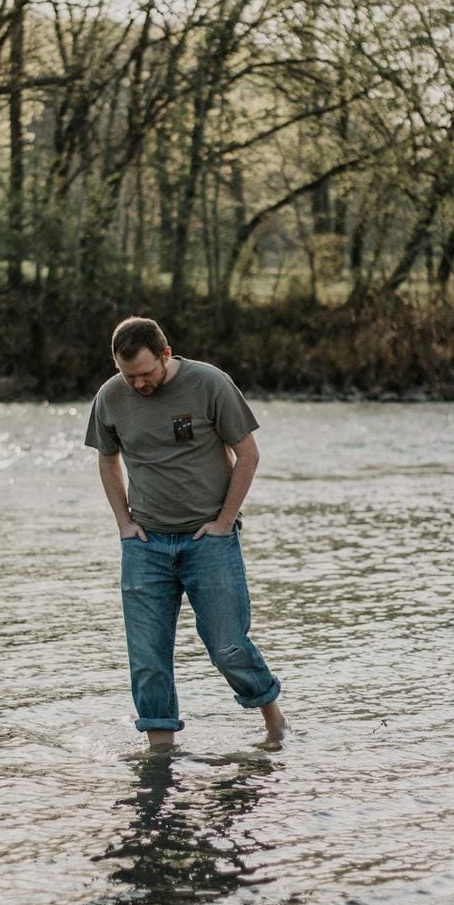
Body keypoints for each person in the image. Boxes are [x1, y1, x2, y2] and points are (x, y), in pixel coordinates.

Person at [84, 315, 288, 748]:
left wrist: (223, 522)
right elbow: (107, 460)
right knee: (147, 658)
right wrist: (123, 522)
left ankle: (274, 721)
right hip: (146, 545)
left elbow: (248, 455)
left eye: (146, 373)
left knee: (228, 646)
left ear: (165, 353)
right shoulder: (110, 397)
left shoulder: (210, 384)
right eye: (129, 375)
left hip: (208, 541)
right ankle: (160, 754)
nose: (139, 383)